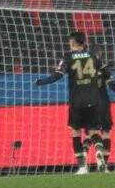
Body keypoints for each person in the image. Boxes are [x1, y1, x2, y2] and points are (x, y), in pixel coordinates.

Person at [35, 31, 106, 174]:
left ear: (73, 43)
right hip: (93, 99)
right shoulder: (93, 55)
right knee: (93, 131)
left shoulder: (68, 57)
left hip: (77, 101)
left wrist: (40, 82)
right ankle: (99, 152)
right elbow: (104, 71)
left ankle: (82, 166)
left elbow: (57, 75)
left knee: (75, 132)